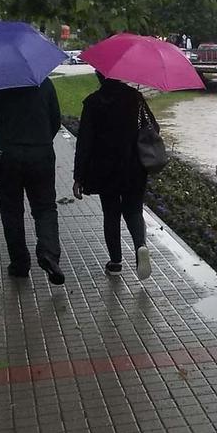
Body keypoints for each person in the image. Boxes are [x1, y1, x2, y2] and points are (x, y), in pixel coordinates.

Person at [0, 78, 65, 285]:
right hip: (41, 155)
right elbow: (55, 120)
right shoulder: (44, 83)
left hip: (7, 156)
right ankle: (49, 255)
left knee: (11, 212)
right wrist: (39, 143)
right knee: (45, 209)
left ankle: (20, 264)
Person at [72, 73, 152, 279]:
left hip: (105, 170)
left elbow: (84, 142)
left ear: (99, 76)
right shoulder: (135, 98)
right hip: (134, 167)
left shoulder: (92, 102)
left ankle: (115, 263)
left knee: (111, 214)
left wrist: (79, 176)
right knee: (134, 211)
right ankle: (140, 246)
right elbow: (153, 127)